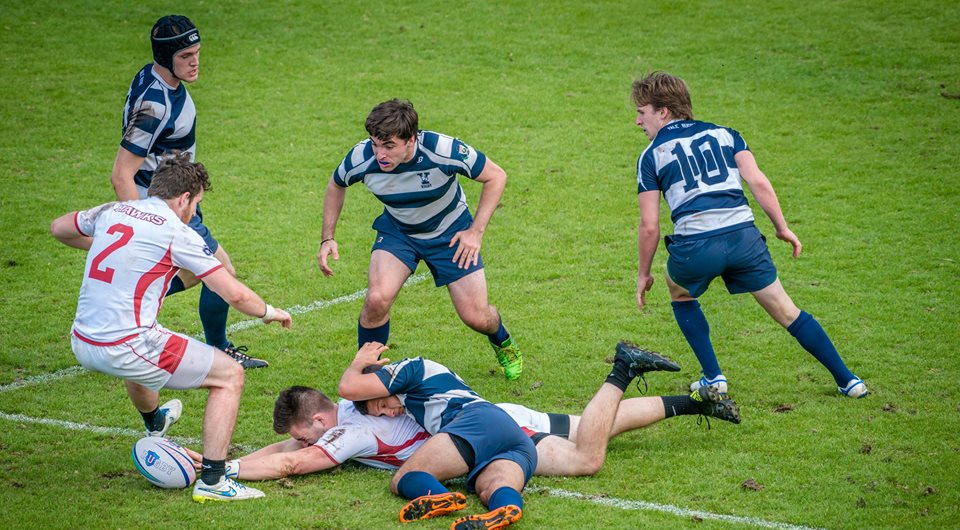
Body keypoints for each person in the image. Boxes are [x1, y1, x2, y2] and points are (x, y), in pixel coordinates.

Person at [50, 151, 293, 502]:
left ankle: (155, 422)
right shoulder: (177, 232)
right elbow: (233, 293)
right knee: (229, 375)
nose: (194, 211)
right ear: (184, 199)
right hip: (124, 343)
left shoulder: (112, 211)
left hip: (83, 341)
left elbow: (58, 228)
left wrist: (102, 244)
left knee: (144, 352)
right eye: (195, 204)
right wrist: (270, 312)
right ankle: (214, 481)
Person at [631, 71, 867, 398]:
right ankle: (849, 381)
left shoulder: (650, 156)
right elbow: (757, 182)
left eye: (641, 112)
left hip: (697, 247)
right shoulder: (728, 135)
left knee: (679, 291)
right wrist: (782, 228)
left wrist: (643, 274)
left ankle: (713, 377)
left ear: (664, 112)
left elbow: (650, 226)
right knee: (787, 311)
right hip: (744, 239)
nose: (637, 121)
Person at [330, 341, 682, 530]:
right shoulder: (421, 384)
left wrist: (358, 361)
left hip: (475, 423)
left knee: (403, 480)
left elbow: (347, 388)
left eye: (381, 405)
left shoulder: (407, 369)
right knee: (489, 486)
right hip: (513, 436)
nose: (389, 413)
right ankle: (503, 509)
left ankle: (441, 497)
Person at [221, 368, 739, 482]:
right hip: (488, 417)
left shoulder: (349, 433)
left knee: (587, 448)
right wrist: (228, 458)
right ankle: (697, 402)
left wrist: (221, 471)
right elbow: (290, 444)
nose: (307, 440)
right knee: (585, 425)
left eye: (305, 431)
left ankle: (626, 373)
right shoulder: (348, 403)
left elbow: (297, 458)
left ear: (317, 420)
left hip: (483, 433)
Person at [316, 99, 524, 380]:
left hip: (451, 233)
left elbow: (496, 176)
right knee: (377, 299)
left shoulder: (443, 150)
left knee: (476, 317)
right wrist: (327, 237)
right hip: (399, 232)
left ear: (411, 139)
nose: (380, 154)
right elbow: (336, 185)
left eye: (389, 146)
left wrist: (475, 232)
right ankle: (367, 371)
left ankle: (503, 342)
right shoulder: (361, 158)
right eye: (375, 143)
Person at [110, 15, 268, 369]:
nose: (195, 61)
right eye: (186, 56)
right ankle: (218, 349)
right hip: (165, 205)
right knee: (220, 272)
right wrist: (146, 225)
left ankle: (127, 301)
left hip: (179, 199)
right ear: (166, 58)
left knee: (201, 272)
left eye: (197, 52)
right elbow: (122, 174)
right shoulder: (155, 106)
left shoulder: (151, 77)